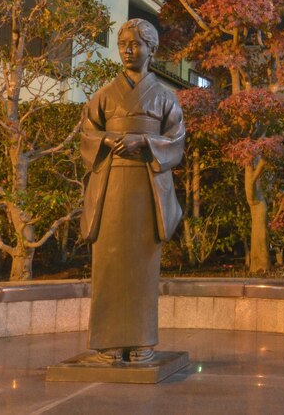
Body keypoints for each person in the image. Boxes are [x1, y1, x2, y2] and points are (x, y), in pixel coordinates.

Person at [80, 18, 185, 364]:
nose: (128, 50)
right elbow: (87, 135)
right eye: (123, 44)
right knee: (107, 262)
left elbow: (176, 142)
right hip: (110, 184)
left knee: (142, 264)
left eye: (136, 44)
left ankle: (142, 340)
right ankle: (108, 344)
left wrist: (145, 142)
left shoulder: (165, 98)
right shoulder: (104, 96)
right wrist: (109, 139)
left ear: (152, 50)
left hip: (146, 185)